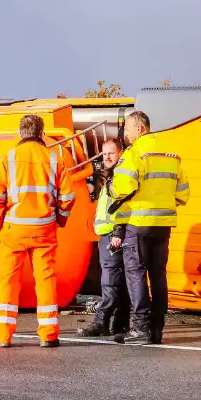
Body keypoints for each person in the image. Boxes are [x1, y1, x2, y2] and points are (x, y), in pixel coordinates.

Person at [0, 114, 76, 348]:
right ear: (41, 132)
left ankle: (2, 336)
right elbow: (67, 197)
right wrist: (61, 220)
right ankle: (48, 334)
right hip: (44, 228)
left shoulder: (9, 157)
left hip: (13, 229)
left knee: (8, 281)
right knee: (45, 280)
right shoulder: (54, 158)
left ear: (20, 133)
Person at [109, 110, 190, 345]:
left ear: (140, 129)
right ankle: (156, 330)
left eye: (128, 128)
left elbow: (122, 187)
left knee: (136, 275)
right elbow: (183, 193)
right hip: (163, 225)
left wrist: (111, 188)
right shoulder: (171, 154)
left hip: (139, 224)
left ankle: (140, 329)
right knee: (158, 276)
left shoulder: (135, 153)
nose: (125, 133)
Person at [77, 137, 130, 337]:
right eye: (104, 153)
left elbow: (123, 206)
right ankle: (120, 324)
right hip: (110, 234)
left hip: (112, 236)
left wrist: (117, 232)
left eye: (111, 153)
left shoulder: (118, 177)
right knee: (120, 281)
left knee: (111, 283)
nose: (107, 157)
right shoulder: (112, 176)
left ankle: (101, 321)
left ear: (121, 153)